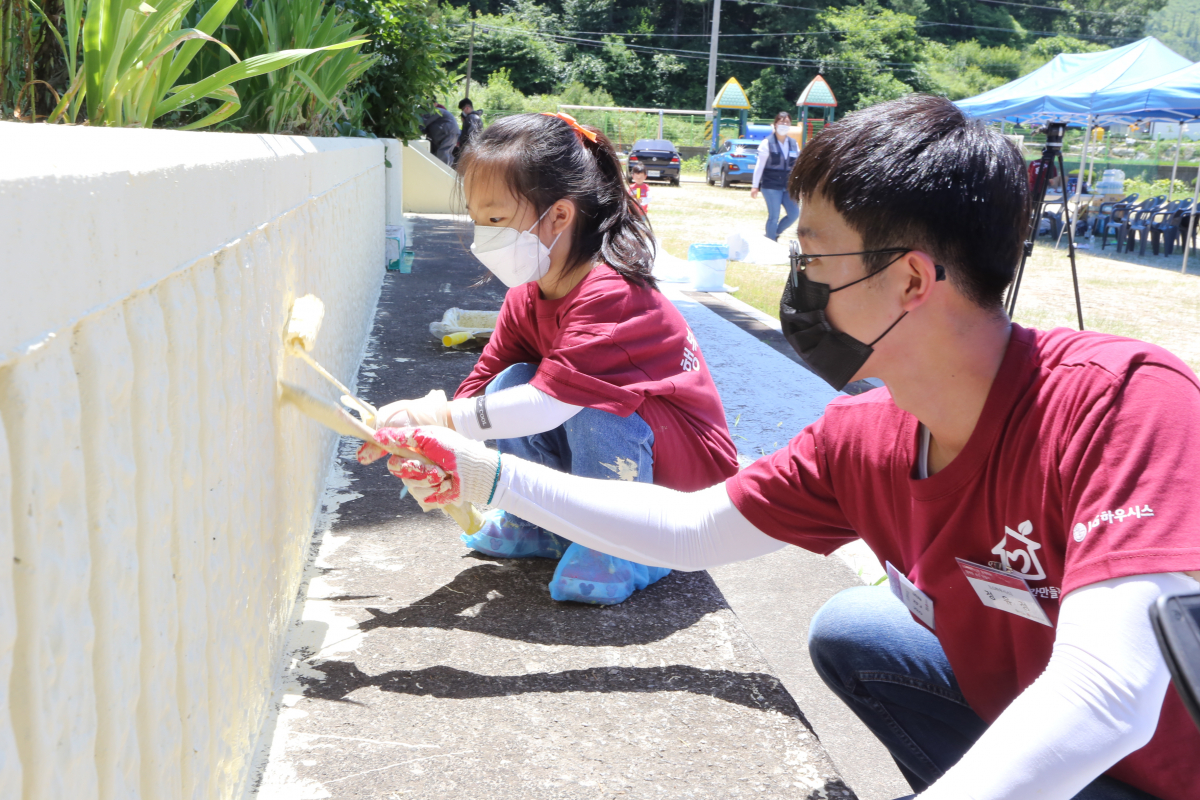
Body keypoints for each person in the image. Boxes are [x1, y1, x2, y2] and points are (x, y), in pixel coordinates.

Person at [362, 95, 1200, 799]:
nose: (798, 286)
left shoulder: (1123, 401)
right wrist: (484, 470)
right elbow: (689, 529)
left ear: (910, 280)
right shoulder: (864, 436)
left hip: (1162, 769)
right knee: (855, 630)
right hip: (1048, 726)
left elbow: (1110, 693)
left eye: (811, 260)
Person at [366, 111, 739, 606]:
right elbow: (484, 384)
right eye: (479, 222)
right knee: (509, 384)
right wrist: (435, 446)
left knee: (584, 401)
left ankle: (624, 546)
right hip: (620, 447)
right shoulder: (529, 292)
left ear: (559, 215)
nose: (484, 238)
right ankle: (537, 522)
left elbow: (547, 406)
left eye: (496, 220)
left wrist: (437, 417)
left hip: (682, 481)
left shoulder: (611, 295)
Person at [750, 111, 801, 241]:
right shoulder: (767, 143)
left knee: (794, 214)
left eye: (787, 122)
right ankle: (771, 242)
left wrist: (800, 186)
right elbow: (759, 166)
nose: (784, 124)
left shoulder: (794, 143)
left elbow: (797, 167)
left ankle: (773, 234)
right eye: (781, 122)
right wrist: (755, 186)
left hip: (788, 186)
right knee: (774, 216)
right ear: (775, 124)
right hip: (771, 185)